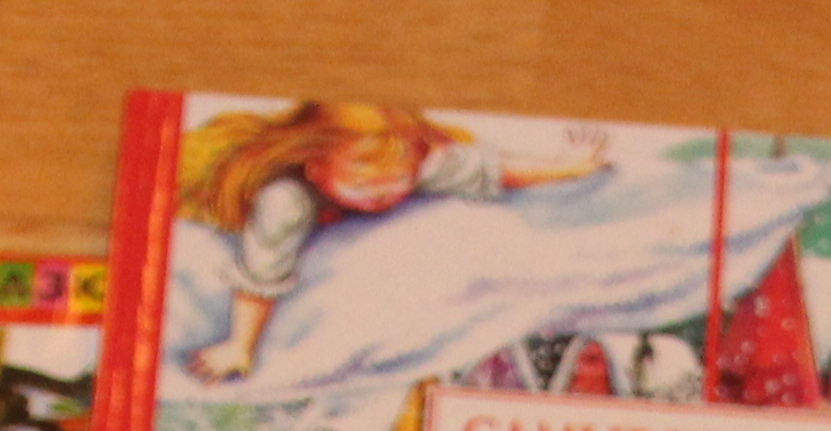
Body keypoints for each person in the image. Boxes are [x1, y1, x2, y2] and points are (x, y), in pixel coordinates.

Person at [175, 104, 605, 387]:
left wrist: (569, 167)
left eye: (397, 181)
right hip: (213, 188)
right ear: (317, 168)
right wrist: (240, 346)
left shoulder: (411, 160)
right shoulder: (286, 200)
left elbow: (491, 168)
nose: (382, 196)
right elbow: (263, 269)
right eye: (363, 185)